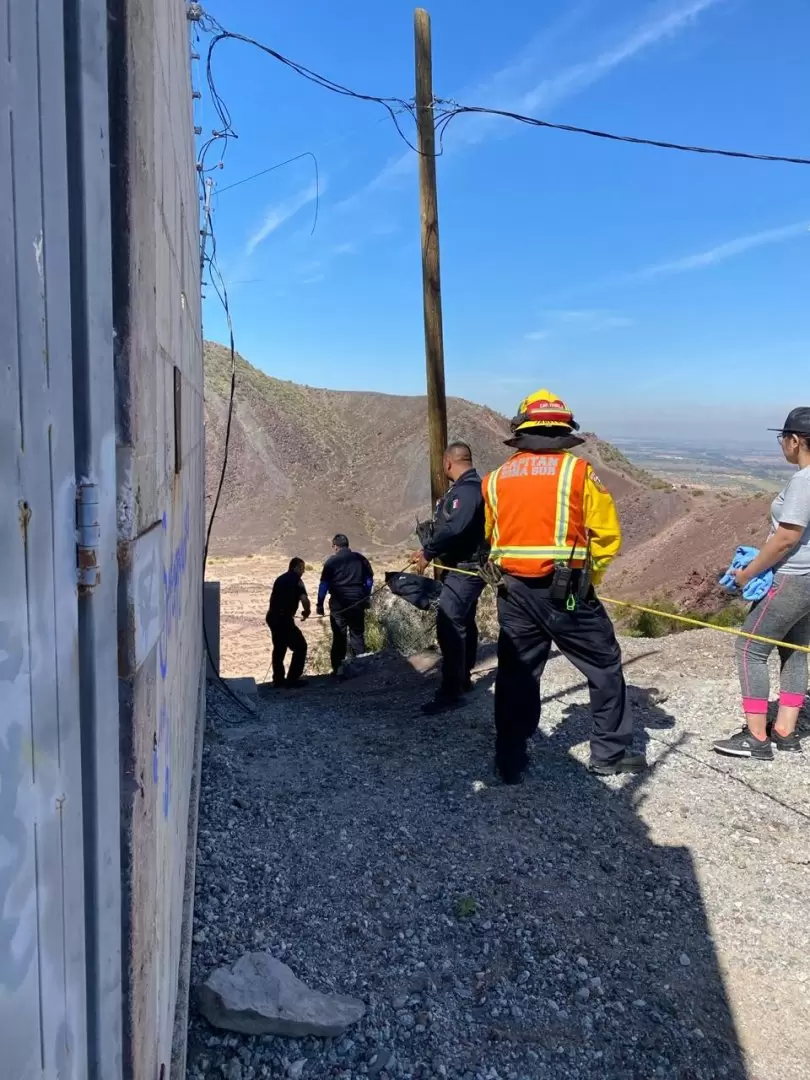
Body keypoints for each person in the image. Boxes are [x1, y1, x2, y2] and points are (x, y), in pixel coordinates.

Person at [481, 388, 646, 784]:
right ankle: (609, 752)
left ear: (522, 430)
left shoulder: (495, 479)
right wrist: (592, 580)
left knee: (518, 673)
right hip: (568, 591)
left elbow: (492, 537)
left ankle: (510, 759)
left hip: (513, 592)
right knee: (604, 665)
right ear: (563, 431)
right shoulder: (577, 473)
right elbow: (606, 537)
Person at [714, 407, 810, 760]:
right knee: (795, 651)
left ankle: (757, 738)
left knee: (749, 649)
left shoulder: (804, 480)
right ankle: (785, 731)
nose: (782, 445)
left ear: (795, 441)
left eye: (783, 438)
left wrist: (747, 572)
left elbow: (787, 537)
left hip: (792, 578)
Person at [411, 442, 487, 714]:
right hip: (465, 567)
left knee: (449, 622)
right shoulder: (472, 488)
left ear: (448, 463)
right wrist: (428, 548)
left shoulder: (466, 492)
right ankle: (462, 678)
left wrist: (429, 552)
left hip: (466, 570)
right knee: (464, 619)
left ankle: (451, 690)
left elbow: (455, 528)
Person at [316, 534, 374, 674]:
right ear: (347, 545)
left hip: (337, 604)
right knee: (357, 635)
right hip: (357, 602)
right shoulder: (360, 559)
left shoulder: (331, 561)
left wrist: (320, 604)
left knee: (339, 637)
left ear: (336, 546)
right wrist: (365, 596)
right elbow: (369, 579)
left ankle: (338, 670)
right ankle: (360, 668)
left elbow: (324, 585)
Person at [266, 557, 311, 688]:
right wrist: (306, 612)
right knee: (301, 646)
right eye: (302, 568)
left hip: (273, 617)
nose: (303, 571)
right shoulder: (297, 580)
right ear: (295, 567)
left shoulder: (280, 579)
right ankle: (293, 678)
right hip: (284, 619)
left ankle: (278, 680)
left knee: (279, 647)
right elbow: (304, 599)